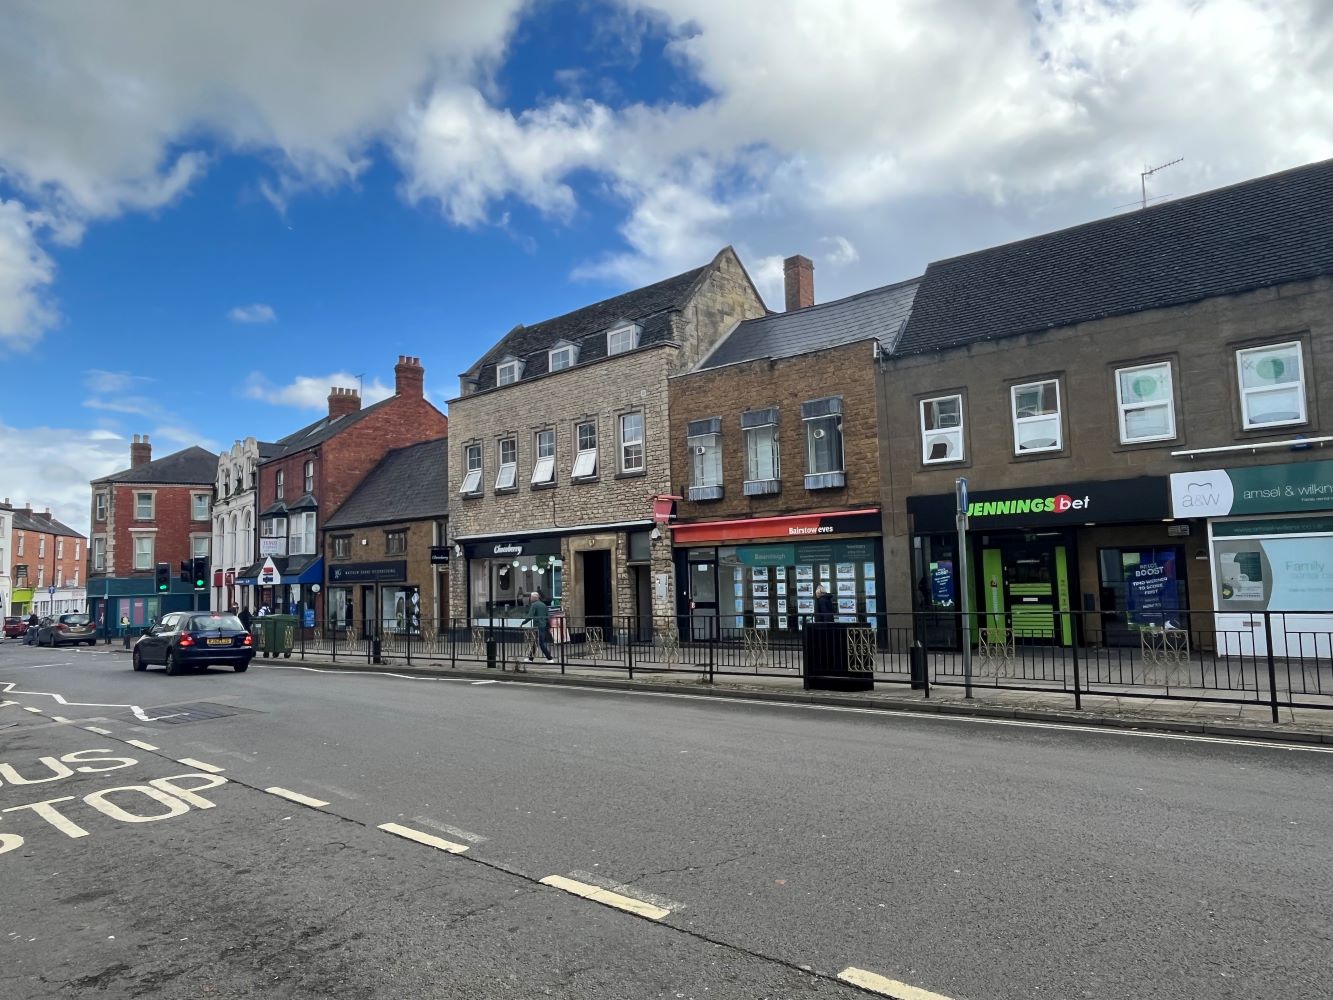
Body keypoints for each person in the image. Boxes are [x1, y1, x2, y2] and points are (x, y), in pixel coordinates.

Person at [520, 590, 554, 667]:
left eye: (531, 597)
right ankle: (530, 658)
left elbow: (530, 616)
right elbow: (547, 616)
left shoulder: (534, 605)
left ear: (534, 598)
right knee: (536, 642)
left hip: (538, 626)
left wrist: (523, 622)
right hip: (543, 626)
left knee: (541, 643)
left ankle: (550, 658)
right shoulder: (543, 605)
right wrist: (548, 626)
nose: (530, 598)